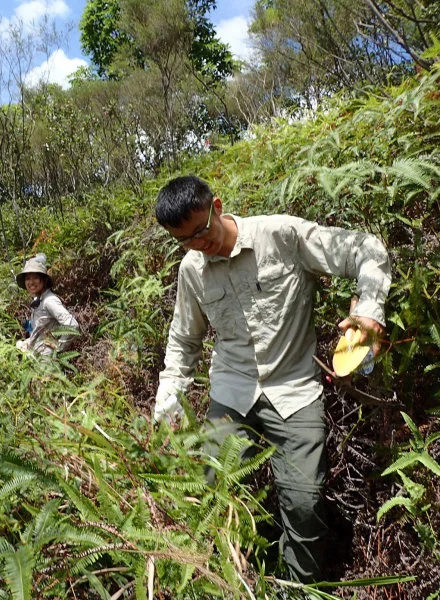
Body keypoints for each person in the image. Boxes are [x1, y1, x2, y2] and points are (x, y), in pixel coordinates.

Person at [153, 175, 391, 583]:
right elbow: (183, 339)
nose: (199, 243)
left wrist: (370, 308)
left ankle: (297, 588)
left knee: (304, 503)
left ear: (218, 206)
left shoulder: (281, 235)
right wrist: (169, 396)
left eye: (202, 229)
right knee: (219, 492)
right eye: (185, 239)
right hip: (231, 388)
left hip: (293, 387)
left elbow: (363, 249)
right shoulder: (192, 269)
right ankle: (242, 578)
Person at [15, 254, 79, 357]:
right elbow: (40, 330)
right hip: (37, 357)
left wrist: (59, 346)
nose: (31, 282)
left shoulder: (49, 301)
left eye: (35, 277)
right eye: (28, 278)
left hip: (47, 361)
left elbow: (72, 325)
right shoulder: (38, 300)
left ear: (44, 280)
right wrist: (28, 341)